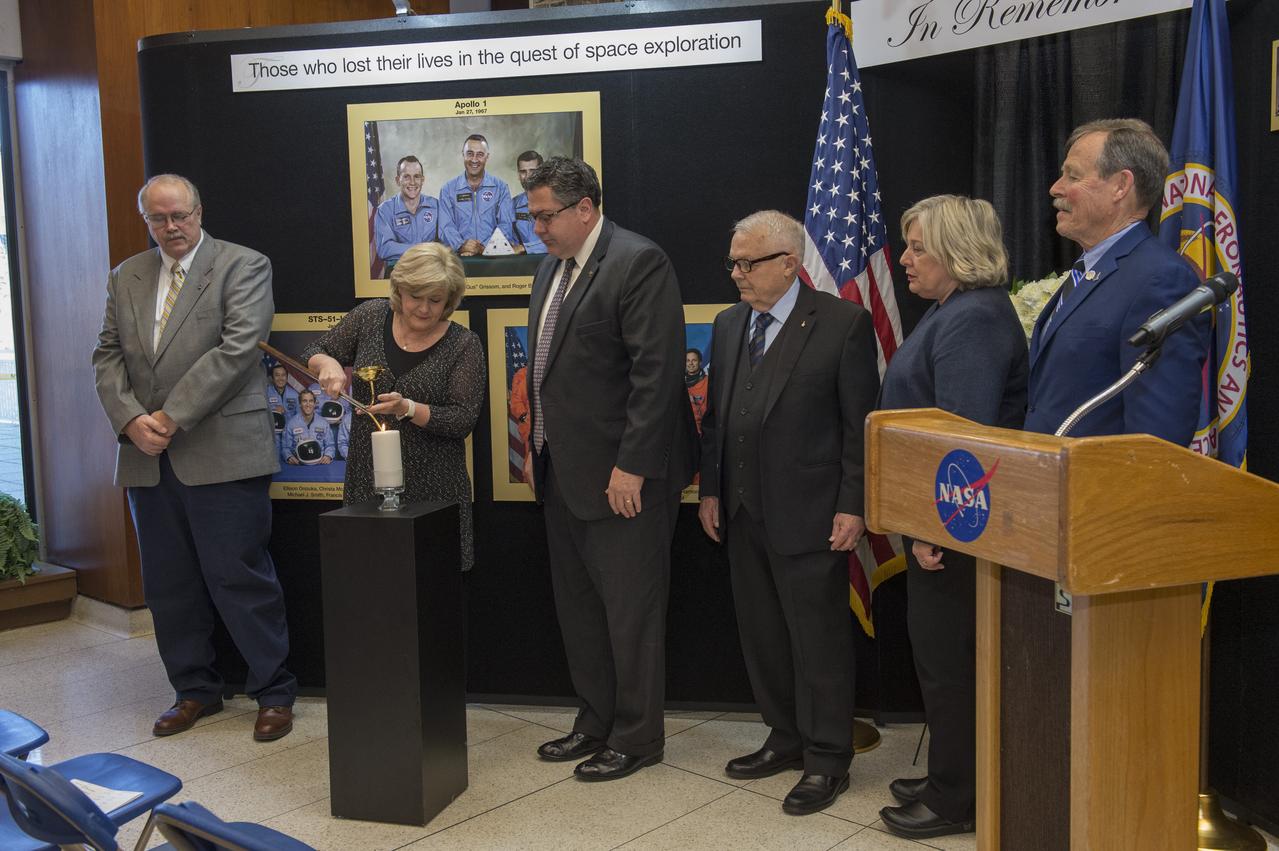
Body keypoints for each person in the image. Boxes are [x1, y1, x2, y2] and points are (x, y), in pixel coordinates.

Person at [91, 174, 296, 742]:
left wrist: (169, 417)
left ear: (199, 211)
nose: (171, 227)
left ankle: (273, 691)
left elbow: (238, 349)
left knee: (240, 577)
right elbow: (106, 356)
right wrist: (131, 420)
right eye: (158, 219)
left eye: (179, 215)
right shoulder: (126, 275)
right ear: (147, 222)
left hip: (222, 449)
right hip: (145, 456)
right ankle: (193, 691)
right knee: (168, 584)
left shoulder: (243, 265)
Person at [696, 210, 879, 815]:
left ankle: (828, 758)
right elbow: (718, 419)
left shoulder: (843, 324)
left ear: (790, 264)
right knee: (763, 634)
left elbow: (860, 428)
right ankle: (785, 735)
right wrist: (712, 491)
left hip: (812, 514)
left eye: (748, 264)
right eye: (733, 263)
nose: (737, 275)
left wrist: (853, 505)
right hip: (743, 511)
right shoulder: (726, 326)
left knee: (817, 641)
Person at [523, 157, 697, 781]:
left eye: (546, 216)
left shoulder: (637, 261)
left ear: (585, 208)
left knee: (631, 614)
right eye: (533, 215)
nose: (537, 228)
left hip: (625, 480)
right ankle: (593, 721)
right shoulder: (549, 268)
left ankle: (637, 736)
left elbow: (656, 376)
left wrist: (633, 467)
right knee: (581, 612)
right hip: (562, 474)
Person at [875, 196, 1028, 840]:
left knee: (950, 666)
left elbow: (963, 440)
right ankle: (950, 771)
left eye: (917, 248)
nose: (904, 259)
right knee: (942, 663)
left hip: (957, 532)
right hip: (944, 523)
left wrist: (935, 529)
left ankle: (954, 798)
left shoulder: (973, 319)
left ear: (959, 250)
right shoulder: (953, 311)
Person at [1026, 118, 1209, 443]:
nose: (1055, 188)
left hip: (1096, 490)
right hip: (1048, 481)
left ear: (1121, 186)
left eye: (1073, 175)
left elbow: (1157, 437)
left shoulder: (1161, 280)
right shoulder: (1089, 270)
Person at [305, 241, 484, 569]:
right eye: (416, 296)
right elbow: (315, 351)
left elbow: (463, 419)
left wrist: (408, 409)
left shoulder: (464, 344)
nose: (424, 309)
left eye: (436, 300)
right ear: (399, 289)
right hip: (366, 484)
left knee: (431, 591)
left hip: (435, 491)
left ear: (450, 300)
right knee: (368, 584)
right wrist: (327, 364)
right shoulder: (370, 316)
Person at [439, 134, 516, 256]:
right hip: (458, 258)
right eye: (470, 153)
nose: (474, 159)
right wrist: (461, 245)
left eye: (480, 154)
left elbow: (506, 225)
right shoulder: (448, 190)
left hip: (493, 259)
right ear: (463, 154)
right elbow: (445, 226)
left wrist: (483, 248)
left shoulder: (501, 188)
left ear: (487, 157)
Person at [374, 155, 450, 272]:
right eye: (406, 177)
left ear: (422, 180)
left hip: (432, 272)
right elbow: (385, 249)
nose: (413, 182)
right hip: (402, 274)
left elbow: (448, 239)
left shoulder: (437, 206)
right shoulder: (385, 210)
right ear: (397, 180)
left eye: (417, 176)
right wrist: (421, 249)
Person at [280, 389, 335, 466]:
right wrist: (289, 457)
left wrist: (328, 455)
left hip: (320, 465)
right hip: (299, 465)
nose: (308, 404)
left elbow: (330, 445)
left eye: (311, 401)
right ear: (300, 404)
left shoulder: (323, 423)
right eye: (304, 401)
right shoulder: (291, 424)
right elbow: (285, 447)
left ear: (315, 403)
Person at [511, 150, 546, 255]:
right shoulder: (512, 205)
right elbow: (510, 241)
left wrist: (525, 248)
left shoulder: (557, 202)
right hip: (522, 267)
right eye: (523, 172)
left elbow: (560, 240)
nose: (528, 176)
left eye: (533, 171)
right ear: (518, 175)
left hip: (552, 264)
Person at [684, 348, 709, 433]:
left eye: (694, 360)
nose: (690, 363)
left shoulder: (708, 383)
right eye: (688, 360)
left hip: (701, 432)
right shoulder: (679, 383)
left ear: (700, 362)